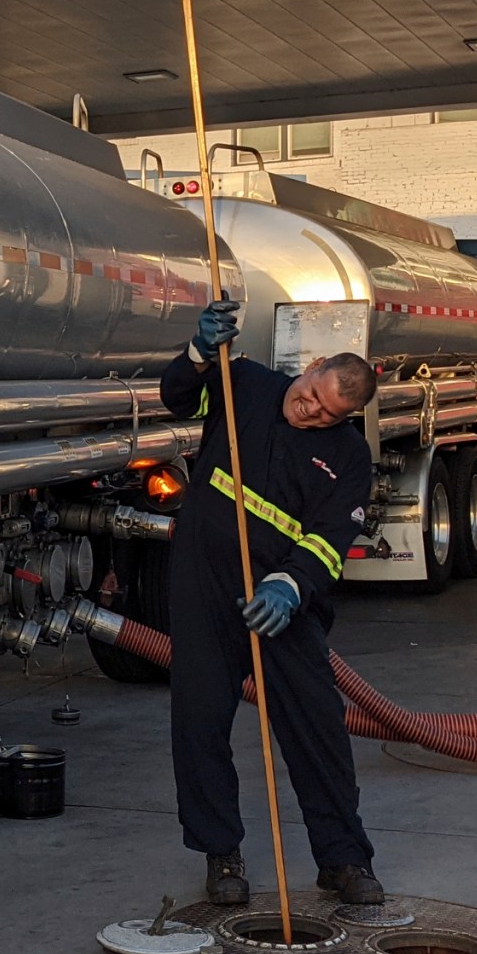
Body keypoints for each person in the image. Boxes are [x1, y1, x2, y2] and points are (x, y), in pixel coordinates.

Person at [158, 296, 385, 908]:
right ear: (308, 368)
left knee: (318, 728)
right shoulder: (245, 384)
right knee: (200, 722)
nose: (308, 413)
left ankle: (343, 859)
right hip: (204, 584)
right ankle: (220, 854)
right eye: (310, 396)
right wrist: (201, 351)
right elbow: (177, 396)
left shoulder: (349, 459)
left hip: (281, 601)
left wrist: (290, 586)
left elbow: (330, 539)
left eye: (326, 415)